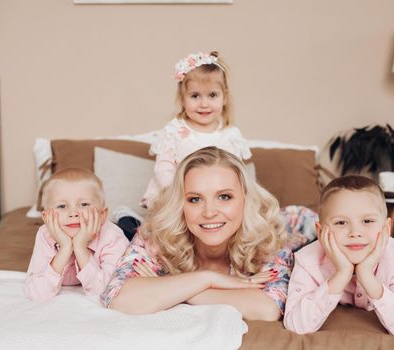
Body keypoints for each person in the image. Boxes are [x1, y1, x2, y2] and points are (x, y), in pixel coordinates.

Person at [101, 147, 293, 321]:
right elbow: (119, 300)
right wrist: (208, 278)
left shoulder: (268, 239)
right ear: (180, 204)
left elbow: (267, 309)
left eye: (224, 197)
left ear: (246, 198)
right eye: (195, 199)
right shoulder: (155, 237)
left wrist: (171, 288)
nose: (209, 212)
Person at [113, 51, 251, 239]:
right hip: (178, 195)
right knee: (166, 232)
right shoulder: (175, 131)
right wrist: (178, 191)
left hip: (216, 200)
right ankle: (134, 227)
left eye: (212, 95)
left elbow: (238, 173)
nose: (204, 104)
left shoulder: (230, 135)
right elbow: (164, 167)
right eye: (195, 96)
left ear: (224, 97)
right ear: (183, 97)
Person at [283, 175, 394, 344]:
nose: (355, 232)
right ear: (321, 231)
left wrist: (366, 275)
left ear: (386, 229)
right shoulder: (307, 260)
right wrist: (342, 274)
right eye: (341, 222)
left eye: (367, 221)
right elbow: (296, 324)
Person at [24, 168, 129, 301]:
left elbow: (107, 291)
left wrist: (80, 247)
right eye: (62, 206)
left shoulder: (113, 237)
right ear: (45, 218)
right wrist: (65, 248)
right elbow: (37, 293)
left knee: (134, 231)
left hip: (125, 236)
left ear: (102, 215)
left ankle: (127, 216)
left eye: (83, 204)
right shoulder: (45, 235)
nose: (73, 213)